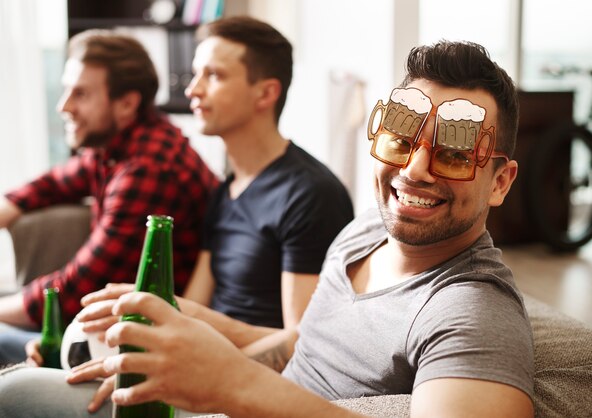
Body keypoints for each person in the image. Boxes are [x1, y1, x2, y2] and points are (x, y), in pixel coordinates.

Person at [0, 40, 534, 418]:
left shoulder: (472, 312)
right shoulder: (366, 230)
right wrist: (183, 327)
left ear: (501, 181)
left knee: (16, 397)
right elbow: (305, 345)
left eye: (455, 155)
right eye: (401, 139)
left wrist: (232, 384)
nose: (415, 170)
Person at [0, 30, 219, 365]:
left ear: (127, 103)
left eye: (81, 94)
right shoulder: (118, 144)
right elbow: (58, 181)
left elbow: (76, 289)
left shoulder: (148, 168)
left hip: (140, 342)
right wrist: (9, 206)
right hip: (110, 322)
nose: (64, 106)